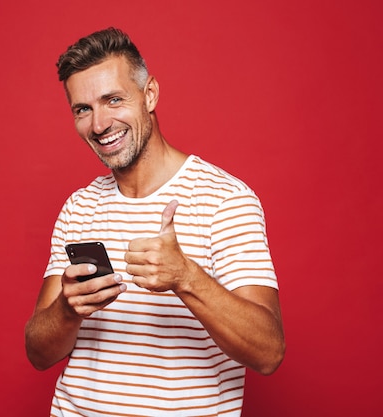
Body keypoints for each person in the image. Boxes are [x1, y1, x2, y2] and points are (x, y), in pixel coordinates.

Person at [25, 27, 285, 417]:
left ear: (149, 95)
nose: (99, 125)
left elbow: (268, 353)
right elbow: (38, 354)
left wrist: (186, 277)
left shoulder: (225, 199)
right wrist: (66, 309)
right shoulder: (79, 207)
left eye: (113, 100)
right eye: (83, 109)